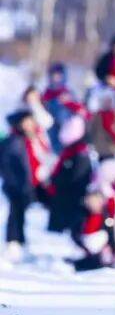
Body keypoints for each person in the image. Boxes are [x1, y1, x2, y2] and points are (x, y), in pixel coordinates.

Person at [1, 109, 51, 255]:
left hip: (37, 182)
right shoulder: (13, 141)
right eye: (26, 122)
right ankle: (14, 242)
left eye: (31, 121)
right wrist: (16, 183)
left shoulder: (37, 138)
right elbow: (8, 165)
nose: (30, 124)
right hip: (18, 184)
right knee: (16, 212)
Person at [46, 116, 93, 240]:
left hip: (69, 199)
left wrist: (59, 182)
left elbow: (78, 177)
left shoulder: (79, 152)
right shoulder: (70, 151)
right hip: (63, 197)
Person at [66, 186, 115, 272]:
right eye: (92, 201)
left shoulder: (106, 218)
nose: (94, 204)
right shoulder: (81, 215)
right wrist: (85, 248)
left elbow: (111, 236)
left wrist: (113, 252)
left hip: (99, 253)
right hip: (83, 250)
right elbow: (74, 234)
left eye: (97, 201)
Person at [41, 63, 86, 153]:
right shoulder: (47, 94)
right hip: (52, 128)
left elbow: (81, 110)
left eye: (59, 75)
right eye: (54, 75)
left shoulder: (68, 92)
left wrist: (68, 103)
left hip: (68, 129)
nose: (56, 78)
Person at [86, 86, 115, 161]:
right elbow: (91, 131)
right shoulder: (97, 116)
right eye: (104, 101)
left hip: (114, 150)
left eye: (109, 100)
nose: (106, 103)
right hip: (100, 150)